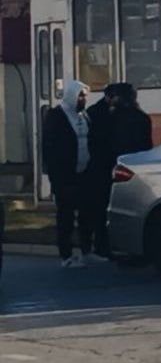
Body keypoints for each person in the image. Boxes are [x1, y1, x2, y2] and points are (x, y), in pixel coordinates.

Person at [88, 83, 153, 257]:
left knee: (104, 209)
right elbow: (146, 147)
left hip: (107, 169)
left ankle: (104, 245)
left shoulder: (108, 117)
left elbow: (98, 143)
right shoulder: (142, 118)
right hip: (133, 170)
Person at [42, 80, 102, 267]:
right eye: (80, 95)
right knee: (66, 215)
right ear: (70, 96)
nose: (83, 99)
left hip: (85, 174)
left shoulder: (84, 116)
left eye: (85, 95)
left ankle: (86, 250)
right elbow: (49, 147)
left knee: (87, 213)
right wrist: (53, 174)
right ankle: (66, 256)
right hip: (65, 176)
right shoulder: (56, 116)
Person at [86, 83, 125, 257]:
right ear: (111, 96)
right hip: (101, 167)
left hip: (104, 166)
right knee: (101, 208)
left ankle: (104, 243)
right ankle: (101, 245)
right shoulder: (97, 113)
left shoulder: (100, 112)